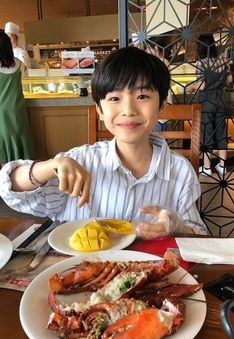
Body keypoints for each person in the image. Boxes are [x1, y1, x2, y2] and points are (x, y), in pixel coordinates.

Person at [0, 46, 207, 239]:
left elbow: (198, 237)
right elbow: (11, 190)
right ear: (99, 110)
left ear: (162, 105)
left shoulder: (180, 171)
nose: (128, 110)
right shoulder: (79, 161)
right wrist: (50, 166)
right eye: (114, 99)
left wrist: (177, 226)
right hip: (79, 271)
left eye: (142, 96)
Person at [190, 33, 233, 176]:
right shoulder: (223, 61)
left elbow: (201, 86)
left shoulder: (201, 63)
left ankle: (207, 168)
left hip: (206, 101)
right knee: (221, 132)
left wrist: (191, 87)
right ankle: (222, 166)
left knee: (206, 133)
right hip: (221, 100)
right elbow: (229, 80)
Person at [0, 31, 36, 163]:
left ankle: (6, 172)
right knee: (21, 137)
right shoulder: (19, 64)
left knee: (4, 139)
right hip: (17, 109)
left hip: (1, 111)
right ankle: (23, 171)